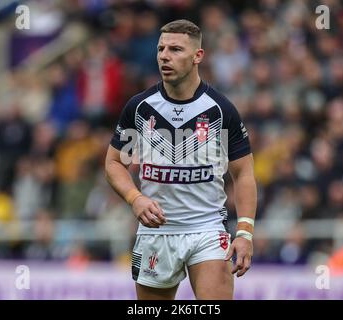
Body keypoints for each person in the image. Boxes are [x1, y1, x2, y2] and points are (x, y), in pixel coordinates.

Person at [105, 19, 257, 300]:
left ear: (198, 56)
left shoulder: (221, 111)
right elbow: (115, 162)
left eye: (175, 49)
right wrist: (134, 198)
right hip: (157, 232)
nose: (164, 56)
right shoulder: (140, 108)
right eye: (161, 48)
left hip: (207, 229)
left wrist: (245, 232)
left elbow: (244, 173)